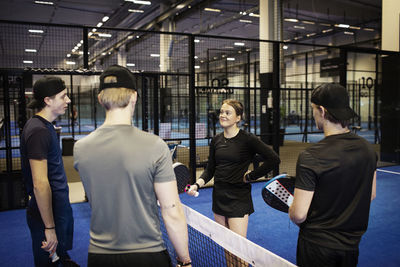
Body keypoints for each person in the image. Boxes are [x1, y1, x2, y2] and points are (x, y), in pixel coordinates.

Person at [73, 65, 191, 267]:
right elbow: (171, 211)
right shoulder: (155, 146)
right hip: (148, 255)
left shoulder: (80, 148)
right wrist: (185, 260)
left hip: (99, 257)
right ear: (134, 97)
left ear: (100, 99)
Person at [289, 83, 377, 267]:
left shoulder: (311, 156)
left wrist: (291, 208)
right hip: (351, 246)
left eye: (313, 109)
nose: (313, 114)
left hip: (316, 246)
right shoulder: (368, 150)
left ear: (322, 110)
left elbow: (298, 215)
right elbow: (371, 194)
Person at [187, 99, 280, 238]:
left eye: (228, 113)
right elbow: (210, 168)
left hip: (238, 198)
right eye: (221, 112)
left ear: (238, 118)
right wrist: (197, 184)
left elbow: (274, 159)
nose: (222, 115)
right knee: (227, 246)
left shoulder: (248, 139)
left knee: (239, 249)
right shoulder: (216, 140)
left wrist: (251, 176)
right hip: (219, 196)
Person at [20, 77, 79, 266]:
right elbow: (40, 183)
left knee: (60, 257)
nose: (68, 100)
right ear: (47, 100)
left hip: (57, 207)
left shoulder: (45, 127)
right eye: (63, 96)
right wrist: (49, 227)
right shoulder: (39, 131)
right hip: (47, 213)